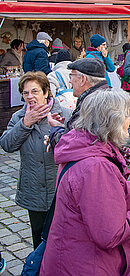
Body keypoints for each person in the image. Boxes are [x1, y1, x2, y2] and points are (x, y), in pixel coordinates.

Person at [40, 89, 130, 275]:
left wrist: (127, 189)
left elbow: (88, 196)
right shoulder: (96, 167)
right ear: (112, 120)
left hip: (74, 257)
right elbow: (109, 234)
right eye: (127, 115)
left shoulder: (84, 147)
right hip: (85, 265)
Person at [0, 71, 62, 249]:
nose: (30, 97)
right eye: (25, 93)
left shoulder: (62, 113)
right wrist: (25, 124)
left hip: (58, 189)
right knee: (39, 240)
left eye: (35, 91)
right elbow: (7, 145)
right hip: (33, 189)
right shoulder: (18, 117)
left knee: (62, 240)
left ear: (46, 92)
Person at [48, 58, 109, 152]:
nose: (70, 81)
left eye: (71, 76)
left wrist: (55, 129)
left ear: (83, 79)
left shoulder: (90, 106)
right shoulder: (106, 98)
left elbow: (69, 144)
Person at [47, 49, 76, 120]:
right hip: (76, 110)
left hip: (60, 113)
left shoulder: (52, 75)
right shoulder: (76, 74)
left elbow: (51, 96)